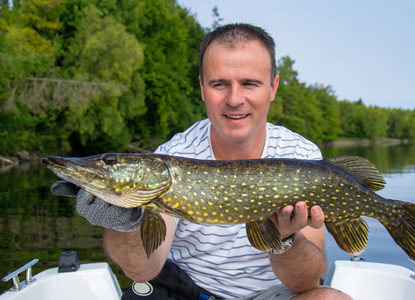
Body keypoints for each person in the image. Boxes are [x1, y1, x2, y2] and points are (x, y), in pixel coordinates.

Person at [52, 23, 351, 299]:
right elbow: (142, 271)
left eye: (249, 83)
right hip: (189, 293)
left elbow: (307, 283)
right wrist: (122, 223)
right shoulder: (175, 154)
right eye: (219, 84)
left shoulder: (301, 156)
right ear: (202, 88)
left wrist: (285, 238)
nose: (234, 99)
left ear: (272, 87)